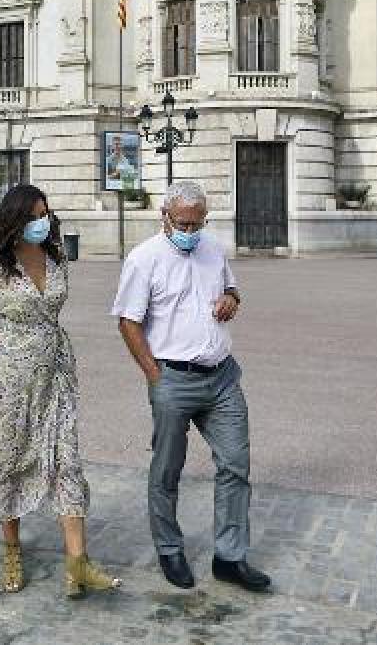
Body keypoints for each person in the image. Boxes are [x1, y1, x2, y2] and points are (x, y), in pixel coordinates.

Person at [0, 184, 121, 599]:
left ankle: (77, 563)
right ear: (14, 221)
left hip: (56, 374)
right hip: (5, 378)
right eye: (32, 217)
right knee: (9, 461)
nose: (41, 223)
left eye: (45, 214)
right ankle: (11, 551)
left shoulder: (55, 256)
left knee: (67, 461)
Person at [112, 180, 272, 593]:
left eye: (197, 223)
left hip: (221, 377)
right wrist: (154, 375)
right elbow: (128, 321)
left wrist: (232, 299)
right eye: (182, 223)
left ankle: (230, 558)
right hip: (172, 379)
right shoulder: (143, 259)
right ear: (164, 217)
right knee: (167, 470)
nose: (190, 231)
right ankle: (169, 549)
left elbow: (232, 287)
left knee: (236, 465)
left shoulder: (212, 248)